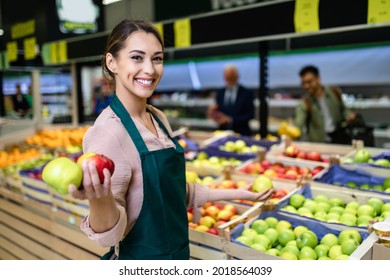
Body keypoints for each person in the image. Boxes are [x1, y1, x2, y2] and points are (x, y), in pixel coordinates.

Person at [68, 19, 273, 260]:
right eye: (137, 57)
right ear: (112, 62)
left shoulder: (158, 118)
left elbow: (171, 192)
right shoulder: (108, 132)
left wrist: (238, 193)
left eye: (157, 58)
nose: (150, 69)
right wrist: (100, 200)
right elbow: (110, 237)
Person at [294, 65, 357, 144]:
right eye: (303, 83)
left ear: (318, 79)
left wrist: (349, 114)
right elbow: (299, 124)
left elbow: (343, 109)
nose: (306, 86)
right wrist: (294, 133)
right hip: (319, 145)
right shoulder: (304, 103)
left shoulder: (334, 92)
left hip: (339, 139)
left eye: (309, 82)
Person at [207, 65, 255, 136]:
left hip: (241, 133)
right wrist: (212, 112)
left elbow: (250, 115)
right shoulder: (220, 92)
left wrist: (230, 120)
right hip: (222, 133)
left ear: (237, 76)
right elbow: (217, 112)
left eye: (231, 76)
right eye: (227, 77)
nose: (229, 79)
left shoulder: (246, 93)